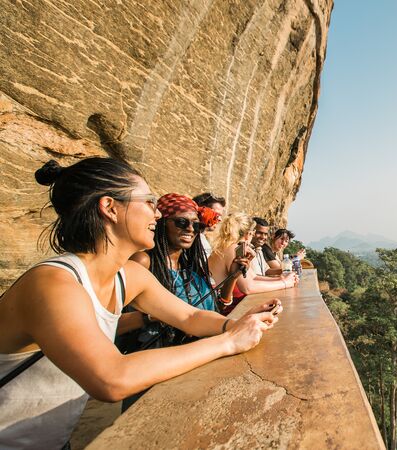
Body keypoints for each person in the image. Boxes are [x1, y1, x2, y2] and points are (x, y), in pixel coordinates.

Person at [0, 158, 281, 449]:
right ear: (110, 208)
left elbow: (190, 316)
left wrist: (237, 324)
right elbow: (111, 379)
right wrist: (229, 341)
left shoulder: (128, 275)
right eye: (149, 202)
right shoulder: (52, 283)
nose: (158, 214)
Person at [208, 213, 298, 313]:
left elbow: (253, 277)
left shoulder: (229, 246)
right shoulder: (233, 249)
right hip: (216, 308)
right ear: (248, 234)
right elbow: (248, 287)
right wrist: (285, 283)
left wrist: (282, 278)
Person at [192, 193, 226, 258]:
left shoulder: (202, 239)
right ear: (203, 211)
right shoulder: (188, 238)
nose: (220, 219)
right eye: (217, 215)